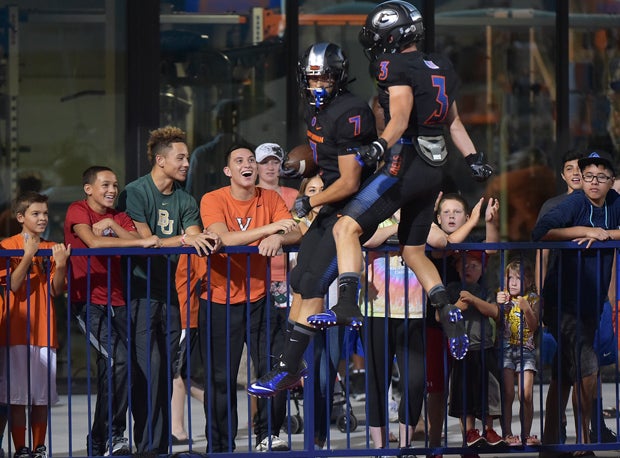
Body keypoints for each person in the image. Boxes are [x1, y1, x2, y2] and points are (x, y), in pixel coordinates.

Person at [306, 1, 493, 368]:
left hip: (405, 165)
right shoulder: (439, 63)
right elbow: (454, 123)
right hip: (436, 167)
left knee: (346, 226)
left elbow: (401, 116)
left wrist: (379, 144)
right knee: (413, 250)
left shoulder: (394, 66)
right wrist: (473, 159)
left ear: (393, 35)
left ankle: (345, 304)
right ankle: (445, 308)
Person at [247, 41, 377, 398]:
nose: (318, 86)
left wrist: (310, 200)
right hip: (330, 206)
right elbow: (320, 155)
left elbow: (350, 181)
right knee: (301, 280)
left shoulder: (351, 110)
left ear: (339, 77)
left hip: (351, 207)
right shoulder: (318, 112)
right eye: (313, 80)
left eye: (325, 79)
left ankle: (289, 368)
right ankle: (290, 365)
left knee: (316, 282)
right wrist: (296, 163)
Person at [116, 125, 221, 454]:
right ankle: (146, 445)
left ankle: (159, 446)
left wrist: (187, 239)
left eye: (188, 157)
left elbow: (195, 237)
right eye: (181, 157)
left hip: (171, 294)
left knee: (167, 371)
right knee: (148, 369)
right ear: (160, 160)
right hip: (139, 294)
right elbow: (146, 241)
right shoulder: (135, 192)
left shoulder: (185, 198)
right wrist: (184, 239)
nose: (187, 163)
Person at [199, 145, 301, 453]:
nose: (248, 165)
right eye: (239, 161)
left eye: (251, 161)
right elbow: (222, 239)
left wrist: (279, 238)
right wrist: (270, 229)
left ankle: (268, 434)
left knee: (274, 369)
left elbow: (295, 230)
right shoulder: (213, 198)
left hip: (259, 298)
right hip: (219, 300)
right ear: (228, 171)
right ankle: (220, 444)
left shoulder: (269, 198)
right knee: (221, 378)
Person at [64, 166, 161, 456]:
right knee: (118, 361)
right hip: (88, 301)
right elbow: (92, 242)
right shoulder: (77, 209)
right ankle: (103, 439)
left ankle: (110, 437)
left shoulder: (119, 216)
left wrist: (115, 227)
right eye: (105, 184)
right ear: (88, 188)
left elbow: (137, 243)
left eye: (116, 185)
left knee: (120, 368)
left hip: (118, 301)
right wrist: (138, 240)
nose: (112, 190)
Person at [533, 151, 620, 456]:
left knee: (564, 372)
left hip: (591, 304)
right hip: (563, 302)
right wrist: (585, 231)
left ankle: (549, 441)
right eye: (589, 176)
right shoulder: (573, 202)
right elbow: (540, 232)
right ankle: (584, 442)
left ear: (612, 182)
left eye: (601, 177)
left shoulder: (614, 205)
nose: (594, 182)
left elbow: (609, 232)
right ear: (580, 179)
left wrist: (608, 233)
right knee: (588, 366)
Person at [426, 192, 499, 458]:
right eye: (446, 212)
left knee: (464, 383)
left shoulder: (472, 243)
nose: (452, 216)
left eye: (457, 212)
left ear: (468, 217)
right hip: (437, 325)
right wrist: (429, 211)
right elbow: (438, 246)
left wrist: (489, 221)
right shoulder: (432, 239)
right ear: (438, 217)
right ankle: (435, 445)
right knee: (438, 388)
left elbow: (491, 248)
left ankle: (469, 443)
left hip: (468, 329)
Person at [0, 192, 70, 458]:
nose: (42, 218)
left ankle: (39, 448)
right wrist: (29, 254)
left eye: (44, 213)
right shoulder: (7, 246)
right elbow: (14, 285)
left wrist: (61, 266)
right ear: (21, 217)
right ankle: (21, 449)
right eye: (36, 214)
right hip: (15, 332)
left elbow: (56, 289)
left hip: (45, 330)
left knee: (41, 398)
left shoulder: (53, 247)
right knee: (17, 398)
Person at [361, 210, 426, 453]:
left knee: (415, 381)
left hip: (414, 311)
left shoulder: (420, 211)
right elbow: (365, 239)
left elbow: (440, 240)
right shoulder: (375, 210)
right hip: (376, 310)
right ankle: (380, 449)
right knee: (377, 382)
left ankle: (405, 446)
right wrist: (397, 227)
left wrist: (412, 219)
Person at [447, 250, 505, 455]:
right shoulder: (452, 289)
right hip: (462, 349)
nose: (468, 269)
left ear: (483, 269)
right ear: (456, 267)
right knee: (465, 394)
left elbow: (495, 312)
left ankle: (489, 429)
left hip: (484, 347)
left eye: (474, 265)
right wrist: (457, 306)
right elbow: (441, 316)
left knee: (488, 392)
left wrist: (472, 299)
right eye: (464, 264)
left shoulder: (485, 290)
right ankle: (469, 433)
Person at [496, 258, 541, 446]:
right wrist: (498, 305)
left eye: (518, 278)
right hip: (506, 349)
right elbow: (497, 323)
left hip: (526, 350)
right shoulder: (502, 296)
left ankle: (526, 434)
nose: (513, 282)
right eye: (509, 278)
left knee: (526, 394)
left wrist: (526, 309)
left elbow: (534, 327)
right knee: (507, 393)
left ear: (529, 282)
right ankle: (507, 434)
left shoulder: (533, 299)